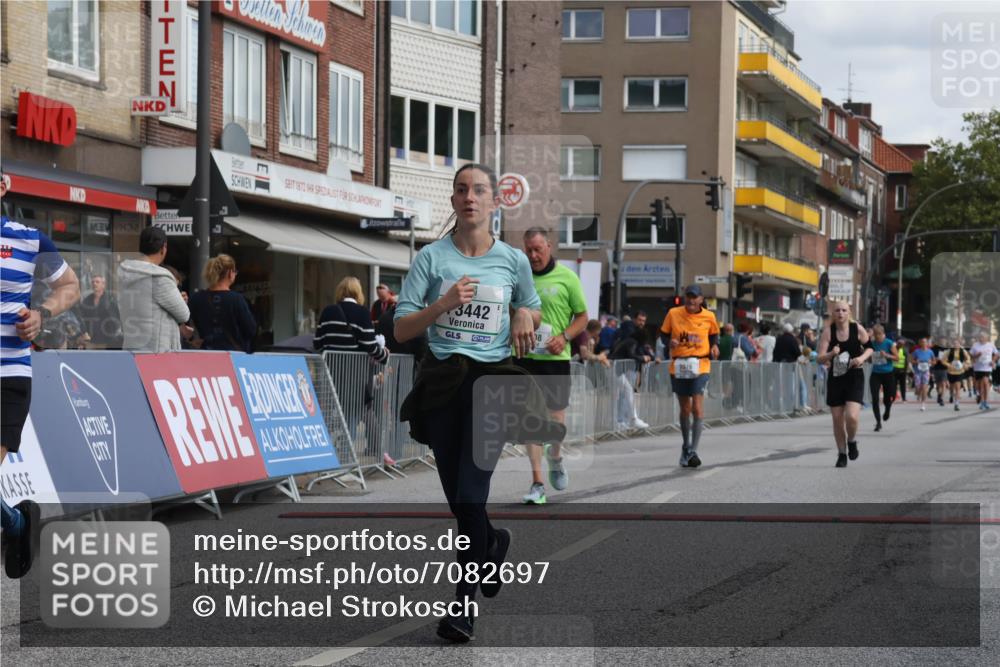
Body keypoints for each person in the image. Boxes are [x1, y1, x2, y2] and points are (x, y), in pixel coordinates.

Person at [393, 163, 561, 643]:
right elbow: (402, 329)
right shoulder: (431, 259)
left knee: (471, 493)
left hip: (495, 381)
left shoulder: (512, 260)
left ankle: (462, 607)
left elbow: (531, 307)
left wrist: (524, 316)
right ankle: (491, 542)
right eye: (462, 190)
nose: (470, 197)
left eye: (479, 190)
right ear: (453, 201)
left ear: (494, 202)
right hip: (444, 384)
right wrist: (441, 305)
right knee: (459, 500)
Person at [1, 174, 81, 578]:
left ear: (2, 186)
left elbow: (70, 285)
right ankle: (16, 524)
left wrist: (41, 314)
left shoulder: (29, 240)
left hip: (8, 374)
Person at [517, 227, 588, 505]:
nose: (533, 255)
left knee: (556, 420)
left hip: (555, 359)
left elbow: (582, 317)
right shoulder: (519, 278)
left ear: (549, 246)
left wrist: (565, 337)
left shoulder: (567, 277)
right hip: (524, 357)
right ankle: (537, 483)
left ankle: (556, 457)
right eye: (529, 250)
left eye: (538, 249)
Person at [659, 284, 720, 468]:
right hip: (679, 365)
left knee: (698, 409)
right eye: (688, 297)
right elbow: (663, 335)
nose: (691, 300)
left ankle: (693, 450)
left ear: (701, 299)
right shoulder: (673, 313)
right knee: (685, 409)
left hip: (701, 364)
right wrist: (670, 342)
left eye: (695, 297)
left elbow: (714, 335)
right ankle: (686, 446)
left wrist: (714, 346)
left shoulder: (709, 316)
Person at [816, 300, 872, 468]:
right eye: (837, 310)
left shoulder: (857, 329)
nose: (840, 313)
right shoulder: (828, 332)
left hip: (854, 376)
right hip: (836, 377)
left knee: (852, 416)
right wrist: (831, 354)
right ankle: (842, 453)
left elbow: (870, 347)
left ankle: (852, 440)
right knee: (837, 419)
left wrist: (861, 358)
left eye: (844, 310)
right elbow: (819, 358)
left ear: (849, 313)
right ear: (833, 314)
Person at [117, 226, 190, 352]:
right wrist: (181, 299)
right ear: (163, 248)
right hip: (157, 353)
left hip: (131, 349)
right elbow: (184, 314)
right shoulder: (160, 278)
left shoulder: (124, 274)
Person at [188, 254, 257, 352]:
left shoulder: (197, 298)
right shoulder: (237, 299)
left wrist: (191, 339)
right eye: (235, 271)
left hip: (206, 353)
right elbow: (250, 330)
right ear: (230, 273)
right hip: (232, 354)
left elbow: (184, 323)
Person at [314, 276, 389, 363]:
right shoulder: (363, 312)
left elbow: (317, 343)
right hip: (354, 370)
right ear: (358, 292)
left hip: (329, 367)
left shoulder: (328, 311)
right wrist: (384, 355)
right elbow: (369, 345)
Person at [610, 327, 652, 431]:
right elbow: (631, 354)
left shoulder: (629, 341)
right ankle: (632, 419)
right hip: (615, 369)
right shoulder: (632, 342)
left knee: (624, 393)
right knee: (627, 391)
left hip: (615, 369)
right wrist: (643, 358)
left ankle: (623, 421)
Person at [76, 274, 123, 348]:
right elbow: (81, 318)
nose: (94, 284)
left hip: (107, 340)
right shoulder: (87, 301)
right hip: (91, 340)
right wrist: (83, 333)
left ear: (103, 285)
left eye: (97, 282)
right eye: (93, 282)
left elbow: (115, 319)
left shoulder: (110, 301)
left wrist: (112, 335)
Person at [868, 324, 897, 430]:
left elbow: (897, 357)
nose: (876, 337)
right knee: (875, 398)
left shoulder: (889, 343)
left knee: (888, 398)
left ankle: (887, 409)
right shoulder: (872, 343)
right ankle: (878, 422)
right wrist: (870, 358)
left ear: (882, 333)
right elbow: (869, 360)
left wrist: (887, 355)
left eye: (878, 334)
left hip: (888, 373)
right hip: (876, 374)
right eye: (875, 335)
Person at [970, 332, 999, 410]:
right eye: (980, 337)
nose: (981, 338)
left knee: (985, 383)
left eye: (982, 337)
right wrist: (977, 355)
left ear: (987, 338)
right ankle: (982, 400)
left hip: (987, 368)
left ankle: (985, 401)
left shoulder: (990, 345)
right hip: (977, 368)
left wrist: (993, 361)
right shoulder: (975, 345)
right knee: (980, 386)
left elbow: (997, 353)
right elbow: (971, 356)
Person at [910, 337, 936, 412]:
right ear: (920, 343)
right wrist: (916, 361)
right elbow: (911, 360)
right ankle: (918, 393)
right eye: (922, 342)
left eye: (925, 342)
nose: (924, 343)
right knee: (918, 387)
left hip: (926, 371)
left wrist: (930, 362)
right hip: (918, 371)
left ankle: (923, 403)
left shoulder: (930, 352)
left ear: (927, 343)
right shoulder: (916, 351)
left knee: (924, 387)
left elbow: (934, 361)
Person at [944, 338, 971, 411]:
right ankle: (951, 395)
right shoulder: (949, 351)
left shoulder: (963, 351)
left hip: (960, 371)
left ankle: (957, 404)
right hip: (951, 372)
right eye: (955, 344)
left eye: (957, 343)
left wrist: (966, 364)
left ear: (960, 344)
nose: (956, 345)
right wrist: (949, 365)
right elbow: (943, 360)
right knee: (952, 388)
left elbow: (968, 358)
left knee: (957, 388)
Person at [931, 336, 950, 406]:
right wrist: (936, 359)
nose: (943, 342)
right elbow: (931, 357)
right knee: (938, 385)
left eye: (944, 341)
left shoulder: (948, 349)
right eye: (941, 341)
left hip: (944, 368)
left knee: (943, 383)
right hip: (936, 368)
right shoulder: (934, 348)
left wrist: (946, 360)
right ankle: (939, 394)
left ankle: (942, 398)